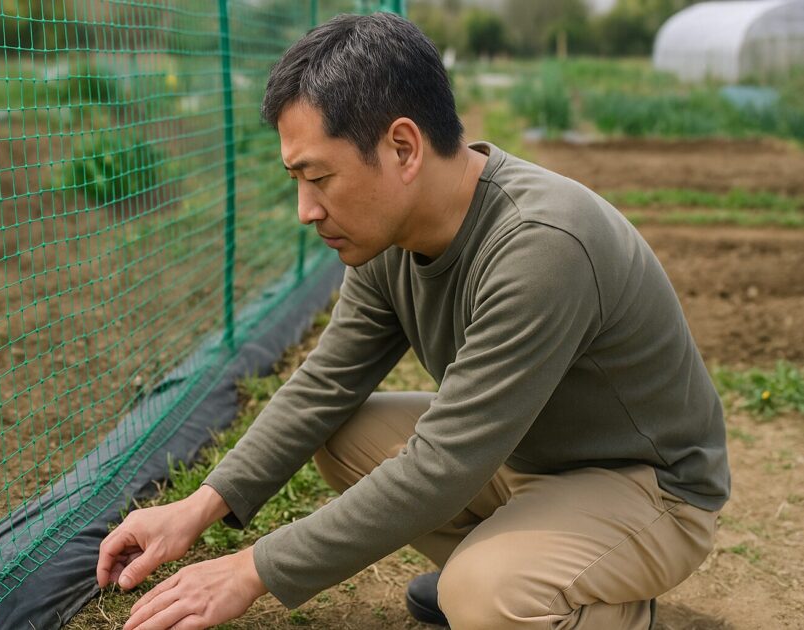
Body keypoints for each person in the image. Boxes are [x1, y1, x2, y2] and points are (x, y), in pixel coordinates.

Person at [96, 12, 729, 630]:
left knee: (481, 597)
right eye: (296, 180)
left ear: (403, 148)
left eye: (319, 177)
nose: (306, 210)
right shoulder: (389, 238)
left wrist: (250, 570)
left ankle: (572, 600)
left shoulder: (541, 247)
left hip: (648, 489)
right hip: (528, 454)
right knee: (343, 434)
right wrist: (197, 508)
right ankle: (514, 566)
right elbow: (324, 386)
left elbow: (443, 466)